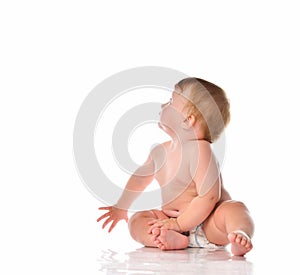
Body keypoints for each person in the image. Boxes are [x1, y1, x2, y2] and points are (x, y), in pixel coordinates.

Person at [97, 77, 254, 256]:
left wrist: (181, 223)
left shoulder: (200, 150)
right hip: (171, 223)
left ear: (187, 120)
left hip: (208, 224)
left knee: (235, 209)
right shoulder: (159, 152)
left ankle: (239, 233)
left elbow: (209, 197)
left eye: (171, 101)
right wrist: (122, 206)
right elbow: (139, 180)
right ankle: (165, 238)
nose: (164, 105)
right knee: (137, 220)